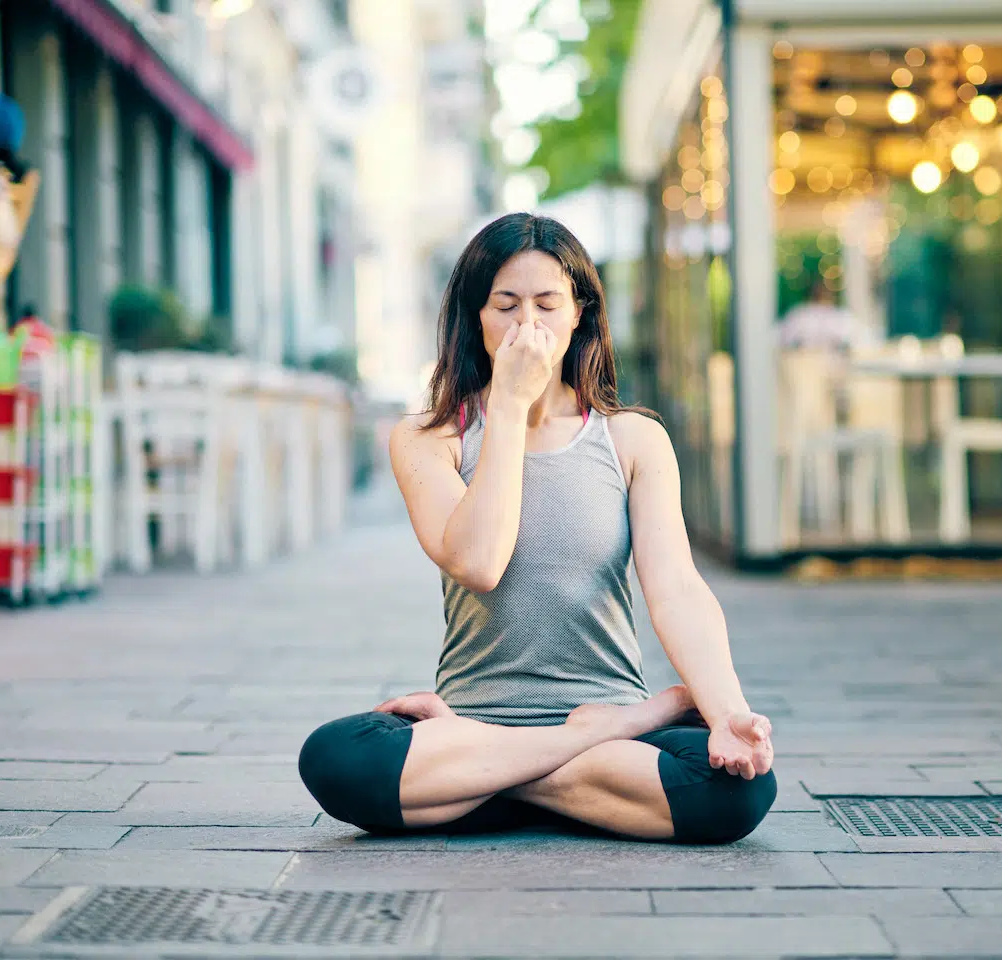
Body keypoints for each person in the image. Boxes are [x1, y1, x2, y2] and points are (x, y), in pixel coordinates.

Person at [298, 213, 777, 844]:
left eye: (548, 304)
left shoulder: (634, 440)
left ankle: (486, 786)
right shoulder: (427, 439)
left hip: (483, 752)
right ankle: (575, 764)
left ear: (580, 313)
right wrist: (507, 406)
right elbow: (479, 563)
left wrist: (726, 713)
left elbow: (678, 591)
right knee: (336, 757)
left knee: (739, 789)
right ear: (477, 317)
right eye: (506, 306)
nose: (528, 325)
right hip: (490, 723)